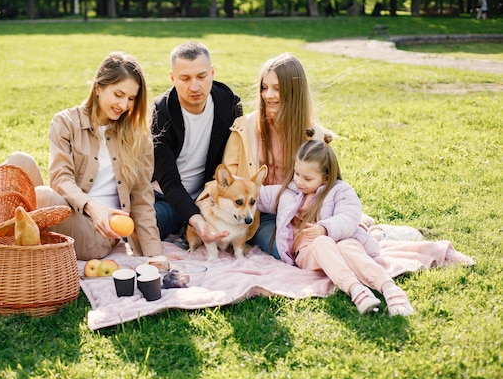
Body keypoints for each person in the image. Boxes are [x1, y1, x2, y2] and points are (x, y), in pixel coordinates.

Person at [5, 52, 163, 261]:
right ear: (99, 87)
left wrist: (157, 256)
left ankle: (11, 248)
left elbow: (143, 199)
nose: (124, 105)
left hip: (97, 236)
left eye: (131, 98)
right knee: (19, 162)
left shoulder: (137, 135)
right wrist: (92, 207)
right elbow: (61, 179)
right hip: (69, 210)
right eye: (118, 94)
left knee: (43, 196)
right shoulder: (66, 122)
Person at [257, 128, 414, 316]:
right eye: (296, 174)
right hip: (308, 253)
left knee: (347, 247)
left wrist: (324, 228)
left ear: (325, 176)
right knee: (321, 243)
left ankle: (390, 289)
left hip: (341, 242)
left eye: (307, 178)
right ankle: (356, 290)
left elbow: (348, 217)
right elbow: (256, 195)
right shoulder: (289, 193)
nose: (299, 181)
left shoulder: (341, 191)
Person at [221, 53, 330, 259]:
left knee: (326, 240)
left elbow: (328, 184)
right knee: (286, 249)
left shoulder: (315, 136)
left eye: (277, 89)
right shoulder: (245, 129)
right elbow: (228, 180)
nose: (268, 95)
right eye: (264, 87)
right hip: (261, 216)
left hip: (303, 212)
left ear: (294, 92)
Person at [152, 41, 243, 247]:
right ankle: (186, 222)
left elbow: (233, 162)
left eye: (201, 76)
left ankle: (187, 223)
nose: (194, 86)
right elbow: (170, 183)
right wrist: (197, 219)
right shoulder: (159, 114)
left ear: (212, 73)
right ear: (173, 78)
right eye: (185, 78)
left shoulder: (229, 104)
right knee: (142, 226)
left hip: (208, 197)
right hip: (163, 196)